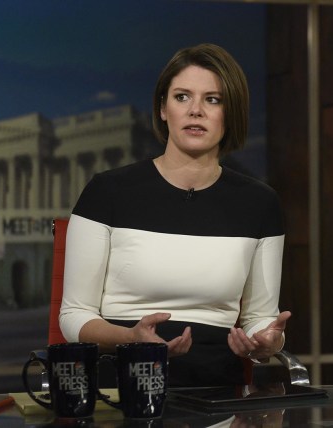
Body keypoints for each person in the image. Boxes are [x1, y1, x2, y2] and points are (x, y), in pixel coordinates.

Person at [59, 43, 290, 386]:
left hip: (216, 389)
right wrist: (132, 338)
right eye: (182, 97)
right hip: (121, 383)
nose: (196, 110)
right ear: (163, 108)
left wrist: (268, 341)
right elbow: (74, 315)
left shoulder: (260, 203)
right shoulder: (107, 191)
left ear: (232, 113)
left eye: (213, 100)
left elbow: (259, 317)